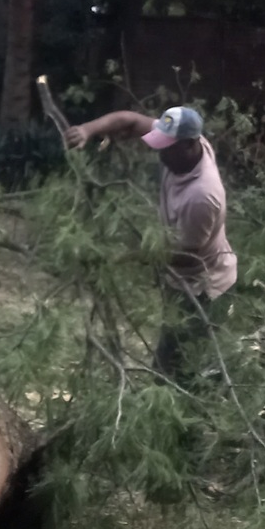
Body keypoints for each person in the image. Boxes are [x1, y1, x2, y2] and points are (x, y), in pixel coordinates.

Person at [65, 104, 237, 376]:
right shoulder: (188, 142)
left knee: (177, 371)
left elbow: (184, 255)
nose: (160, 151)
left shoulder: (203, 194)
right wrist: (88, 130)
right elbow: (129, 120)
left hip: (202, 287)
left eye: (168, 146)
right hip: (181, 278)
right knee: (171, 360)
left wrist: (127, 255)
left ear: (190, 145)